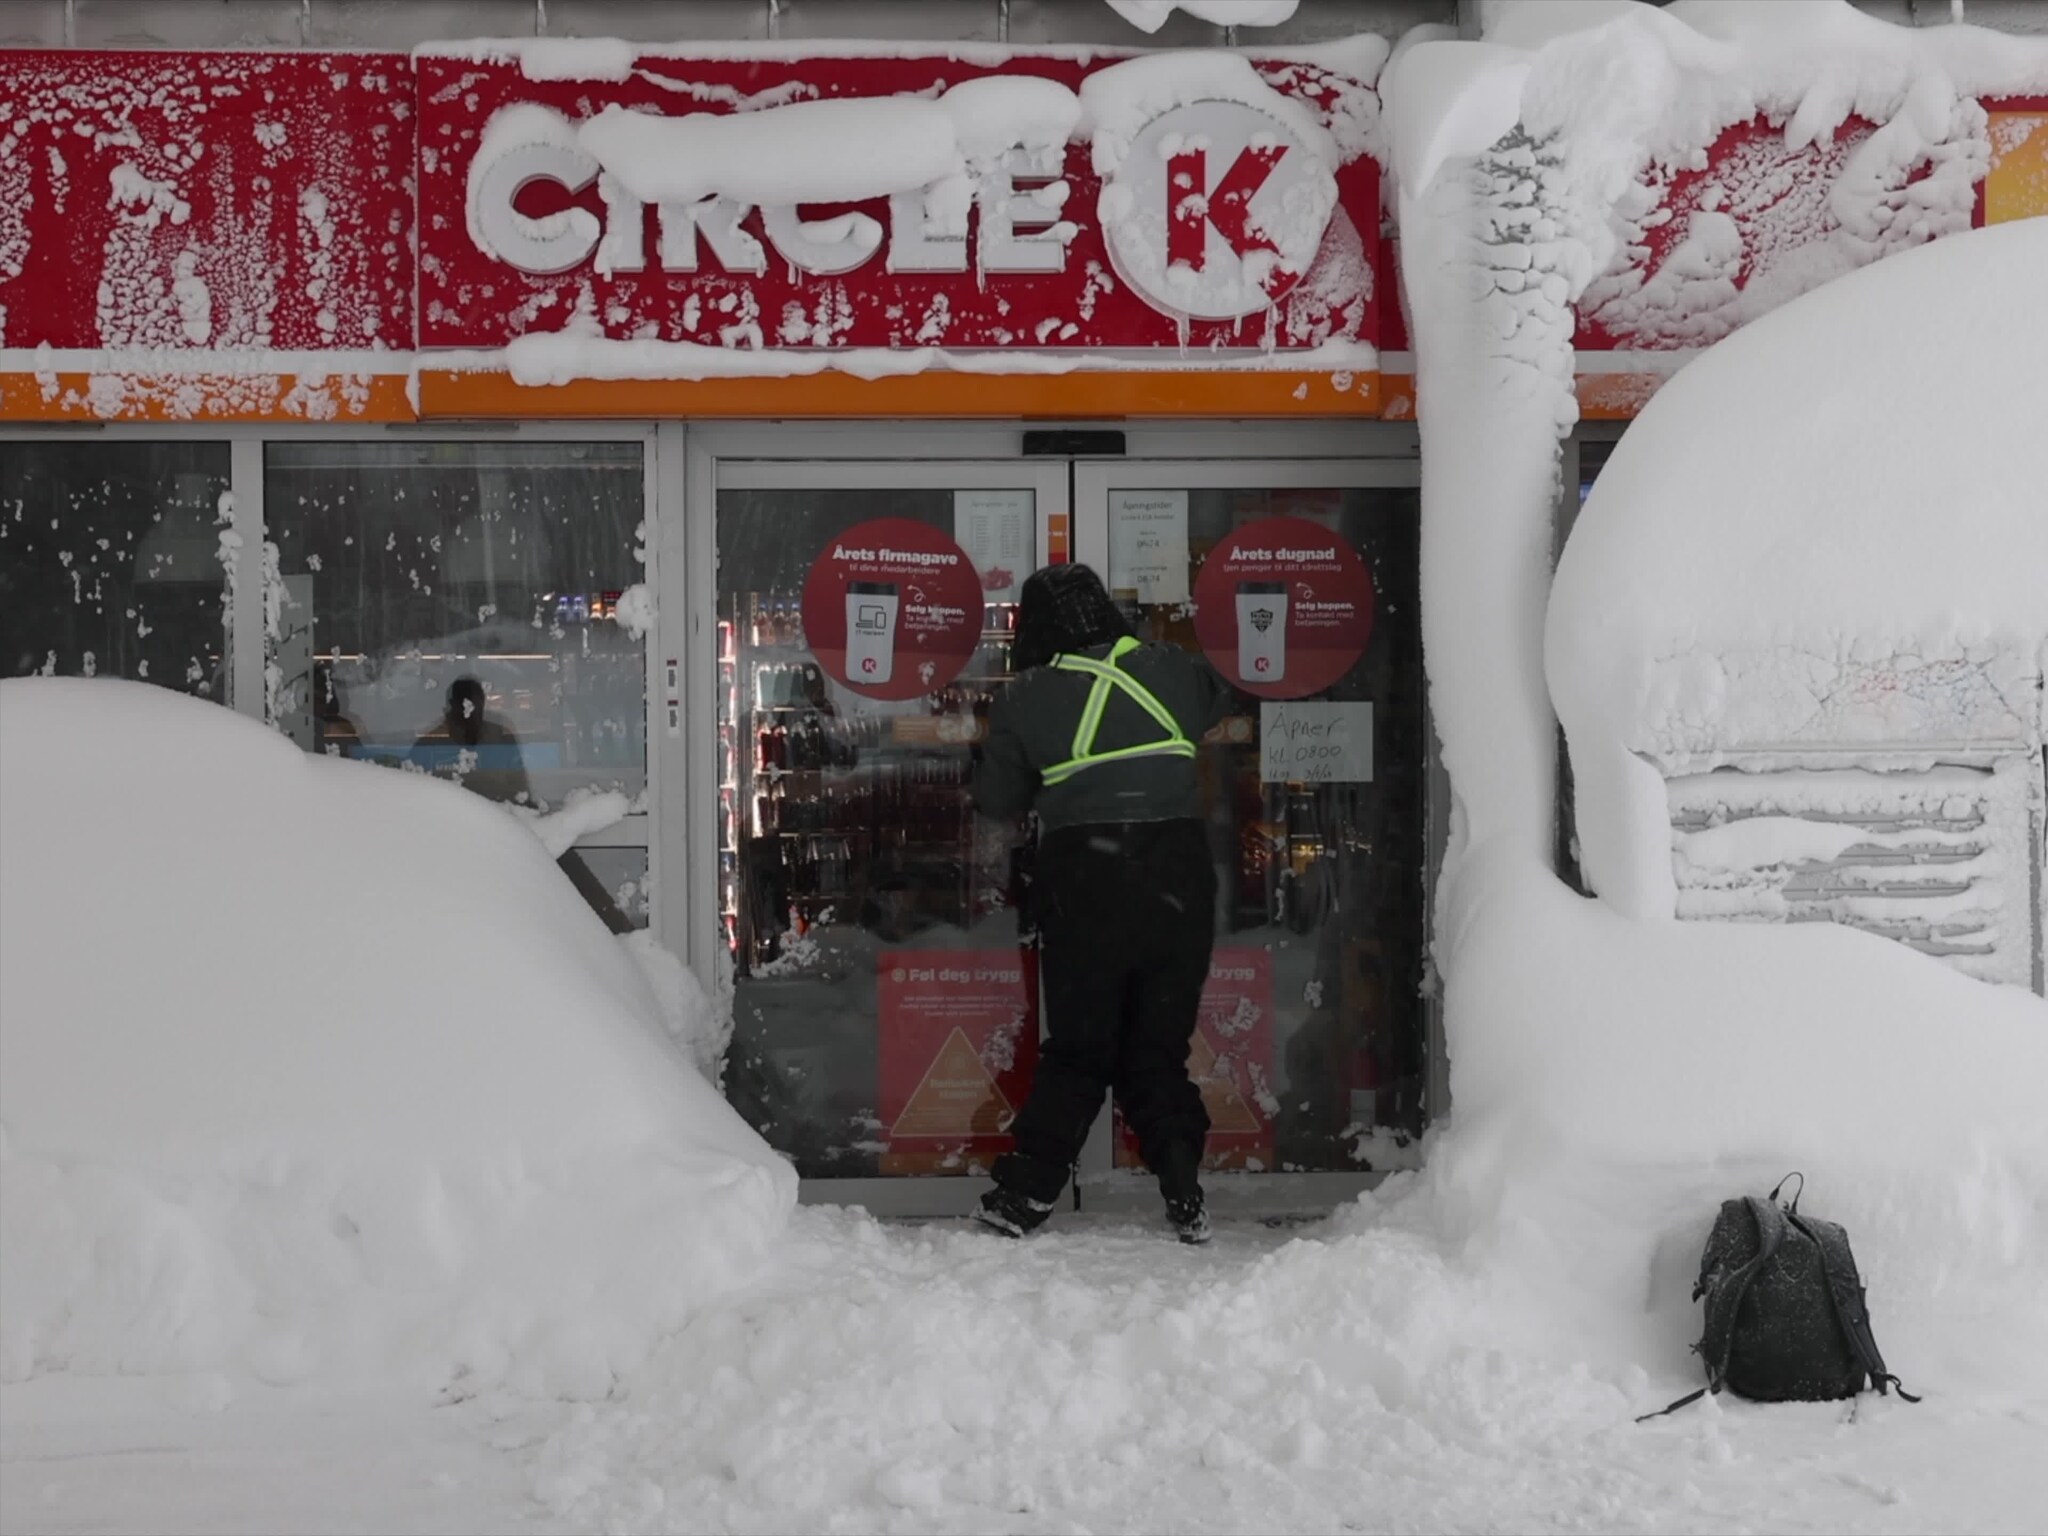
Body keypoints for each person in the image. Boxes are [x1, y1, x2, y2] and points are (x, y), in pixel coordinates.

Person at [970, 564, 1231, 1244]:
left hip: (1085, 877)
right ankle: (1182, 1186)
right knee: (1157, 1047)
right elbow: (1218, 702)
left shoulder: (1027, 696)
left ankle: (1026, 1196)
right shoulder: (1173, 669)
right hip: (1178, 872)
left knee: (1081, 1046)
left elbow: (997, 800)